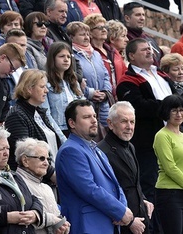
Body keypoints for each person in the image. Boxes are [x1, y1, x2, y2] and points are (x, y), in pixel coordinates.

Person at [56, 99, 133, 233]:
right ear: (72, 123)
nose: (93, 121)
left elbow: (115, 184)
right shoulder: (70, 151)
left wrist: (122, 209)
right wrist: (120, 211)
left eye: (94, 116)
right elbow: (89, 189)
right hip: (89, 226)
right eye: (86, 117)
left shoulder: (96, 149)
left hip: (109, 223)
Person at [116, 38, 174, 204]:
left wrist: (175, 105)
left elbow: (181, 97)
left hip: (173, 140)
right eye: (144, 50)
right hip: (149, 144)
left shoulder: (162, 75)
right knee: (151, 187)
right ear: (132, 56)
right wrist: (169, 105)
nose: (150, 51)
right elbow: (139, 107)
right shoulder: (127, 81)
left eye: (150, 49)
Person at [0, 126, 43, 234]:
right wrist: (6, 217)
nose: (6, 153)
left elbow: (33, 198)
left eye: (8, 148)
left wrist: (35, 213)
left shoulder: (13, 175)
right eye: (1, 149)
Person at [98, 101, 154, 234]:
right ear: (110, 124)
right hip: (121, 224)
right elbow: (106, 192)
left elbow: (133, 183)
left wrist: (143, 199)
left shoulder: (130, 146)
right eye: (124, 121)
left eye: (132, 122)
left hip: (140, 219)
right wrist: (129, 220)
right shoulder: (101, 151)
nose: (129, 127)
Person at [153, 95, 183, 234]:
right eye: (174, 110)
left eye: (182, 110)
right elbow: (169, 167)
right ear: (166, 112)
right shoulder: (162, 135)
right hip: (169, 193)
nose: (179, 114)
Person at [4, 69, 63, 172]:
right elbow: (26, 154)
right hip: (36, 179)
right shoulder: (17, 115)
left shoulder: (40, 112)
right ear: (29, 89)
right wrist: (53, 175)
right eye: (42, 87)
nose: (46, 90)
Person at [15, 138, 71, 234]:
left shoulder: (47, 188)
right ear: (25, 161)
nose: (47, 163)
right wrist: (53, 220)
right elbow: (23, 217)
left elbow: (57, 219)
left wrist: (62, 226)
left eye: (48, 159)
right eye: (42, 158)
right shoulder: (16, 184)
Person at [67, 21, 112, 127]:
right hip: (85, 104)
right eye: (82, 34)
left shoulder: (96, 54)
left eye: (87, 34)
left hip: (103, 105)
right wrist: (90, 93)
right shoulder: (71, 55)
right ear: (71, 37)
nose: (86, 37)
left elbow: (106, 75)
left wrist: (105, 93)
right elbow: (73, 78)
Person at [42, 42, 83, 136]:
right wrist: (60, 137)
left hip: (76, 129)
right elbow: (46, 114)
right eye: (62, 56)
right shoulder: (45, 81)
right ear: (53, 59)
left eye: (68, 57)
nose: (66, 60)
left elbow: (82, 104)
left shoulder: (73, 81)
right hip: (59, 131)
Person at [85, 14, 126, 98]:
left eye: (105, 28)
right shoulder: (89, 53)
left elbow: (124, 72)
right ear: (90, 33)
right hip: (100, 98)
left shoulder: (113, 51)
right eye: (100, 28)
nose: (104, 30)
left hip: (118, 97)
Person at [123, 1, 163, 66]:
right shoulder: (125, 40)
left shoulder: (149, 38)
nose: (142, 18)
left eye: (143, 15)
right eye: (138, 15)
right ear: (127, 18)